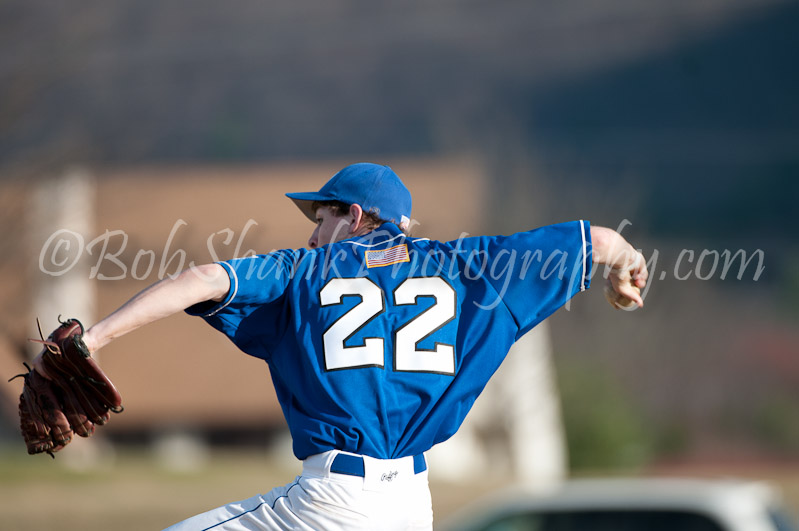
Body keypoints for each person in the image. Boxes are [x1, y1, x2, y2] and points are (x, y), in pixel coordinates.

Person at [33, 162, 648, 530]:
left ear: (354, 216)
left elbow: (201, 279)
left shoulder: (302, 271)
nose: (313, 233)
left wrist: (96, 337)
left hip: (332, 502)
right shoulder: (472, 266)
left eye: (321, 217)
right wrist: (624, 271)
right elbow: (598, 241)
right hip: (412, 506)